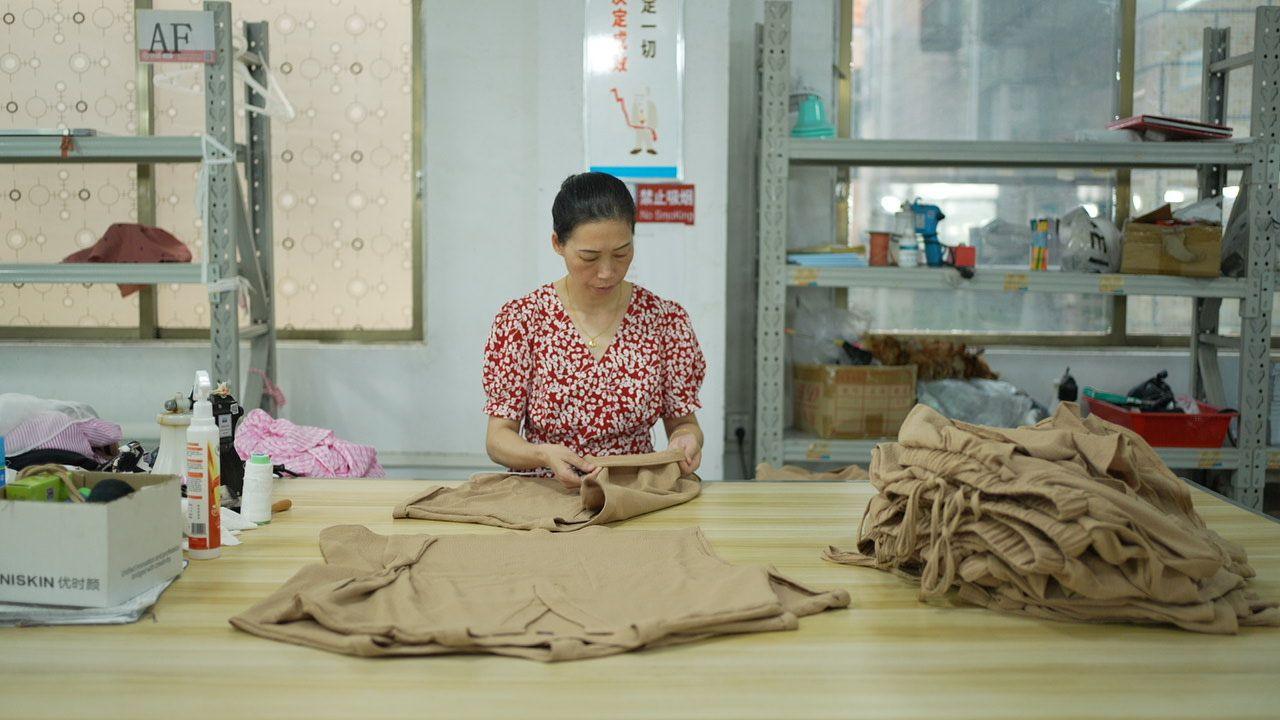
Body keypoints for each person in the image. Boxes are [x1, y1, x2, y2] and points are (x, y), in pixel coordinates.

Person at [483, 172, 705, 488]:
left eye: (621, 253)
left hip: (635, 492)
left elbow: (683, 423)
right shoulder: (522, 321)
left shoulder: (666, 321)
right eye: (589, 257)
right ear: (558, 244)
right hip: (546, 491)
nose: (607, 271)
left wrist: (686, 440)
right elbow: (498, 438)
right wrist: (543, 455)